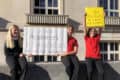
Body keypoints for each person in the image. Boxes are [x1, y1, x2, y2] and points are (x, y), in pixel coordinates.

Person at [84, 15, 104, 80]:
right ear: (89, 32)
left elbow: (100, 28)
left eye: (94, 31)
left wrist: (102, 17)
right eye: (91, 31)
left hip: (97, 58)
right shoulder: (86, 38)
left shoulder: (97, 38)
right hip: (89, 58)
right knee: (89, 71)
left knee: (101, 72)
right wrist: (84, 17)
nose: (93, 32)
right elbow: (85, 27)